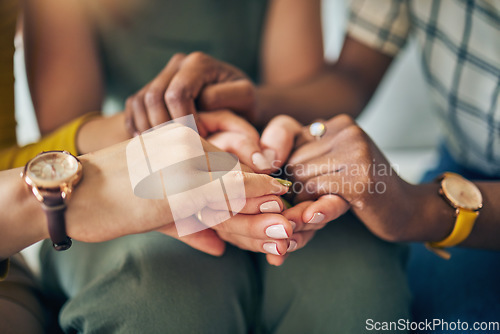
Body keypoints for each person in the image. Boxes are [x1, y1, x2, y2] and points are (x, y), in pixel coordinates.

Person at [23, 0, 411, 332]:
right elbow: (60, 144)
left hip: (263, 160)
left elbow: (292, 93)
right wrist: (168, 137)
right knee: (154, 299)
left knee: (355, 288)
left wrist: (257, 139)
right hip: (123, 165)